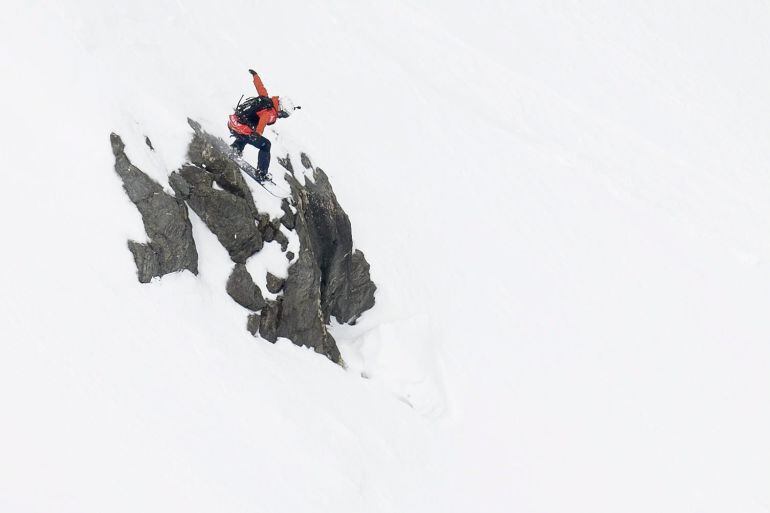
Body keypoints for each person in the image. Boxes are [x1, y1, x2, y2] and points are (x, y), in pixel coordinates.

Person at [228, 69, 296, 179]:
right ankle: (262, 173)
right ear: (281, 110)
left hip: (234, 123)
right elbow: (264, 119)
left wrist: (255, 76)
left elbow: (260, 87)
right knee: (266, 145)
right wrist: (258, 133)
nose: (282, 117)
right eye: (284, 114)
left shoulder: (266, 99)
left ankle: (236, 148)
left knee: (248, 132)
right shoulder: (271, 113)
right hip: (241, 128)